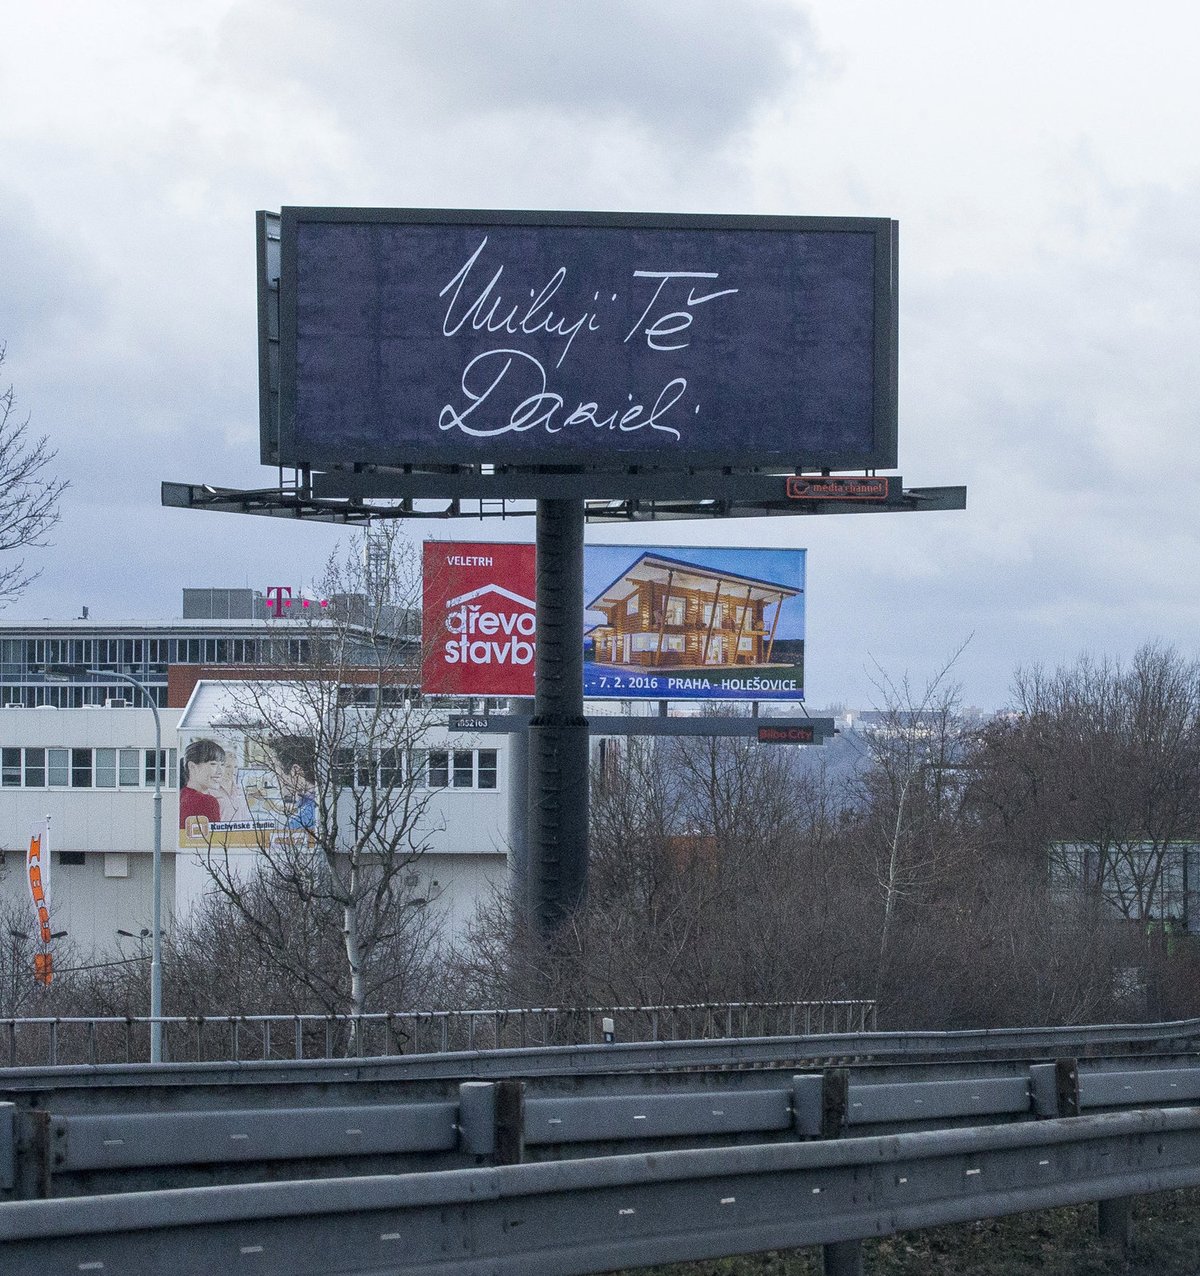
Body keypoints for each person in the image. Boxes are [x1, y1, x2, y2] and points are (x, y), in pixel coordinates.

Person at [179, 738, 225, 830]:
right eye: (213, 764)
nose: (220, 771)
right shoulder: (207, 801)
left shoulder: (181, 795)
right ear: (192, 766)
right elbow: (215, 841)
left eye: (222, 765)